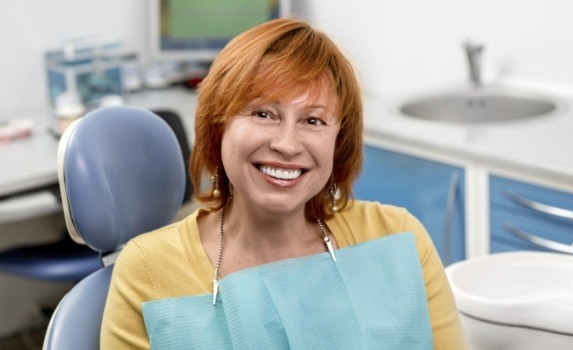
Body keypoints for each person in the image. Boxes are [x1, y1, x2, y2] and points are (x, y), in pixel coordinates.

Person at [101, 18, 467, 349]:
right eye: (263, 113)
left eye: (313, 121)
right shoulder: (147, 271)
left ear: (339, 143)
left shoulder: (399, 239)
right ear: (218, 127)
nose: (288, 144)